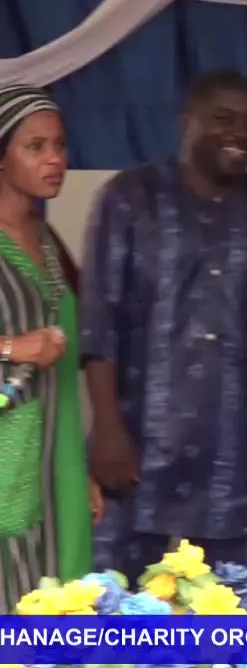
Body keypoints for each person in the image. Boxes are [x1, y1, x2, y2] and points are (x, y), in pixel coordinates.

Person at [83, 70, 247, 582]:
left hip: (241, 459)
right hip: (140, 451)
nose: (240, 134)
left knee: (237, 611)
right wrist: (107, 429)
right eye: (223, 119)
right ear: (186, 122)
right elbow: (99, 324)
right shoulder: (129, 199)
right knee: (119, 607)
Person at [0, 85, 98, 610]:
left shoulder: (46, 241)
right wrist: (12, 346)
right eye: (35, 146)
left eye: (60, 144)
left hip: (54, 470)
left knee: (62, 620)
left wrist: (77, 472)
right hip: (6, 470)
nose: (55, 159)